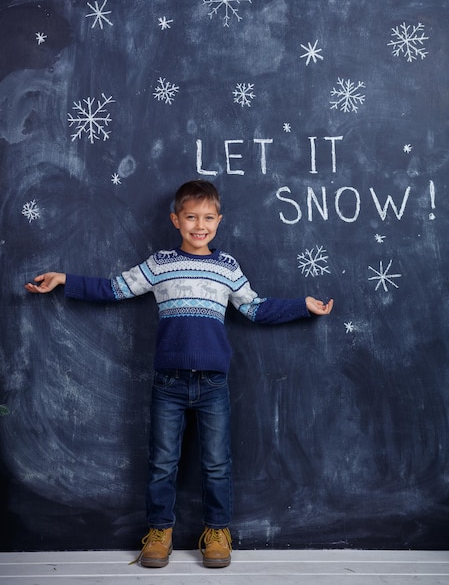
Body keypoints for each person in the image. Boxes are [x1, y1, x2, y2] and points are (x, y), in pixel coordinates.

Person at [25, 179, 333, 569]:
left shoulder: (226, 267)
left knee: (217, 463)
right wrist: (65, 279)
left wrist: (302, 306)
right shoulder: (160, 264)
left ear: (219, 221)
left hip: (213, 384)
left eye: (207, 218)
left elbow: (254, 308)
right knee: (162, 462)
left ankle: (218, 531)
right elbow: (115, 288)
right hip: (168, 384)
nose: (199, 225)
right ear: (176, 219)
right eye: (190, 217)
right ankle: (159, 531)